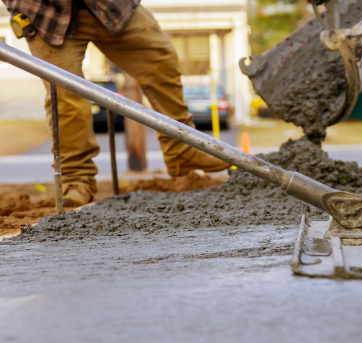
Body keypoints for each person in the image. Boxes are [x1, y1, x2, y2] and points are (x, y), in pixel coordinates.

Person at [1, 0, 230, 206]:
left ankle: (183, 151)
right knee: (65, 97)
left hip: (111, 5)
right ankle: (76, 180)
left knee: (161, 60)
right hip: (46, 13)